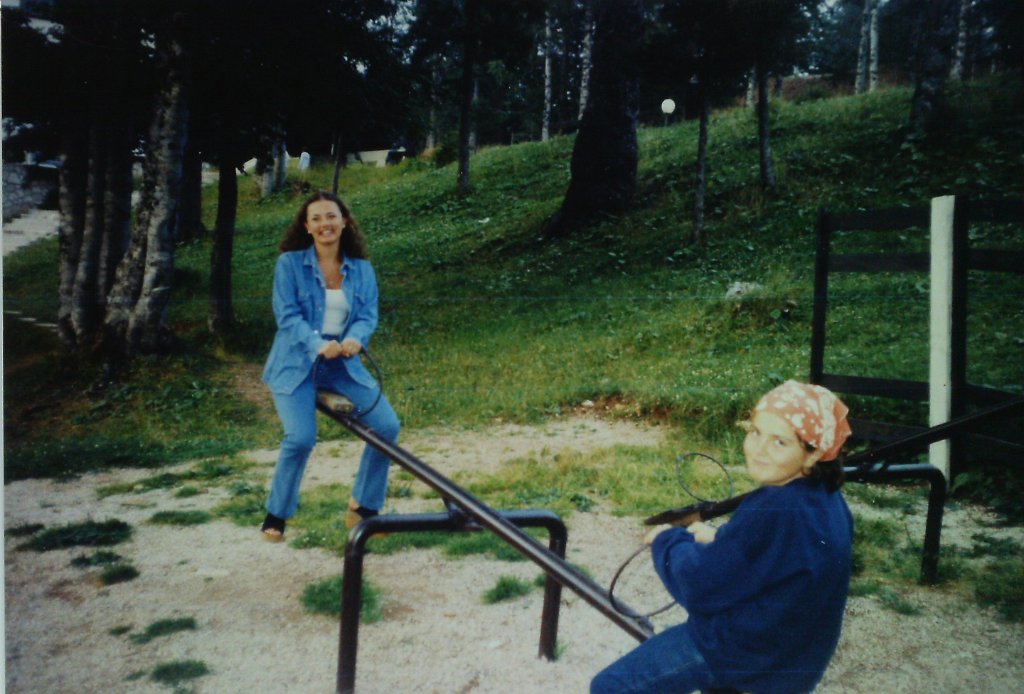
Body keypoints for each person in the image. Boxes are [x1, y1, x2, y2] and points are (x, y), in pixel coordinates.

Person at [592, 380, 854, 694]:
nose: (759, 449)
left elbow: (699, 586)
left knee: (611, 686)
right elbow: (776, 556)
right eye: (755, 432)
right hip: (792, 661)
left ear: (813, 454)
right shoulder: (829, 501)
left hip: (741, 655)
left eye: (779, 442)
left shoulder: (772, 506)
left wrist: (668, 541)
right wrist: (720, 538)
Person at [260, 191, 401, 542]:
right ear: (307, 227)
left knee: (387, 426)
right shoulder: (290, 265)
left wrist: (356, 338)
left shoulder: (362, 269)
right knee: (301, 438)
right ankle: (277, 513)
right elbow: (287, 316)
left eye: (331, 216)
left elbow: (367, 315)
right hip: (296, 365)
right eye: (317, 218)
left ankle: (364, 507)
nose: (325, 223)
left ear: (345, 222)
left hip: (341, 366)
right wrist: (317, 344)